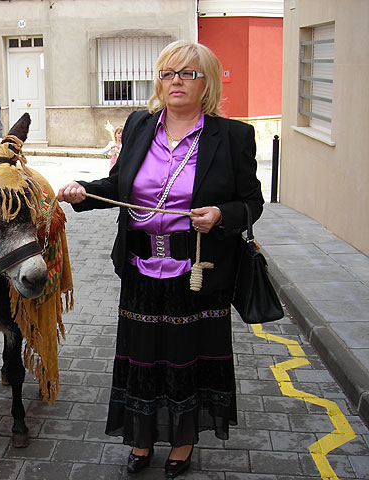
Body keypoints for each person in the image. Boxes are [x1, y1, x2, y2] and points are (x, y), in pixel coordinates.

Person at [57, 40, 263, 478]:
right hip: (140, 271)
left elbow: (252, 204)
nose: (176, 81)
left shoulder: (233, 136)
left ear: (206, 82)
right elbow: (119, 186)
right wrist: (81, 191)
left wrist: (223, 214)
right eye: (169, 73)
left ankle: (184, 441)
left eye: (188, 73)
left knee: (188, 357)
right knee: (143, 357)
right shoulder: (138, 126)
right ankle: (143, 439)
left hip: (197, 274)